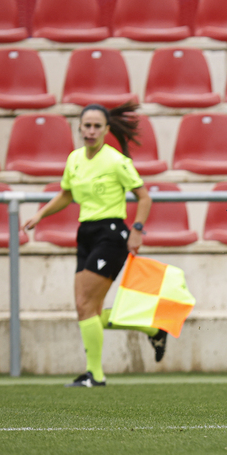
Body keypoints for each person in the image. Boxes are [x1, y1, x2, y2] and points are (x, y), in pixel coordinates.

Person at [22, 102, 166, 387]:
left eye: (96, 126)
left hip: (111, 234)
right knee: (86, 309)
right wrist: (41, 213)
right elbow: (66, 195)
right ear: (79, 127)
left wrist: (136, 229)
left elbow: (144, 197)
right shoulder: (74, 159)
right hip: (85, 233)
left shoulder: (116, 161)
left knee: (85, 305)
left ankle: (95, 375)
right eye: (86, 125)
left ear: (106, 130)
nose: (90, 131)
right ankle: (152, 329)